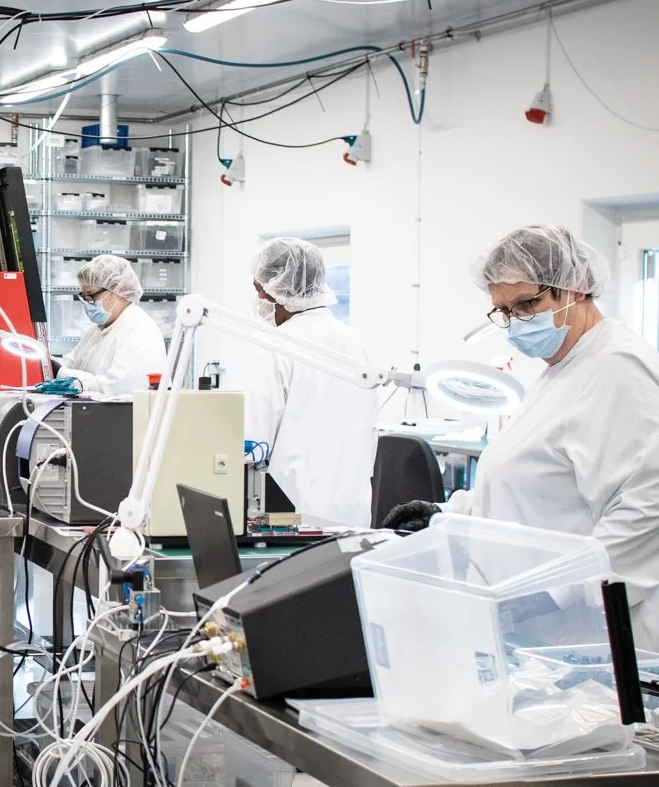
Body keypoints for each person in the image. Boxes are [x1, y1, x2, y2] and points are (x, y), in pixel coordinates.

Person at [386, 225, 659, 650]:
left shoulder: (618, 368)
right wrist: (448, 514)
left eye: (527, 304)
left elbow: (645, 511)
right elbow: (532, 490)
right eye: (503, 310)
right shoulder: (563, 368)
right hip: (542, 631)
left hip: (595, 637)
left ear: (577, 288)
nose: (516, 322)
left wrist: (549, 593)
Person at [245, 237, 378, 527]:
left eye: (258, 289)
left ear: (277, 291)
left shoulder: (275, 345)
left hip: (291, 517)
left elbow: (254, 443)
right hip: (351, 514)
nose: (257, 299)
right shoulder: (353, 343)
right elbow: (369, 435)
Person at [57, 254, 166, 395]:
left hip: (127, 409)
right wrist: (50, 365)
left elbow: (115, 387)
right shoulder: (98, 329)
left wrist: (63, 373)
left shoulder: (140, 331)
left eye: (91, 295)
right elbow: (71, 362)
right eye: (84, 297)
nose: (88, 303)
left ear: (119, 290)